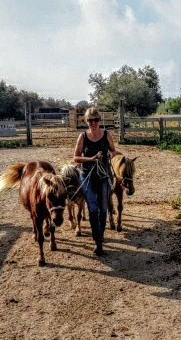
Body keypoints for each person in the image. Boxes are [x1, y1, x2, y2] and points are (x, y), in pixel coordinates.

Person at [73, 107, 117, 256]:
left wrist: (110, 155)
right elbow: (76, 157)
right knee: (92, 207)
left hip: (104, 175)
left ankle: (101, 238)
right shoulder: (83, 137)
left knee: (103, 208)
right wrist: (91, 159)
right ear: (86, 121)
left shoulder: (106, 134)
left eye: (96, 120)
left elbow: (113, 150)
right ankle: (97, 241)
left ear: (100, 121)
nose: (93, 123)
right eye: (90, 120)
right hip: (87, 175)